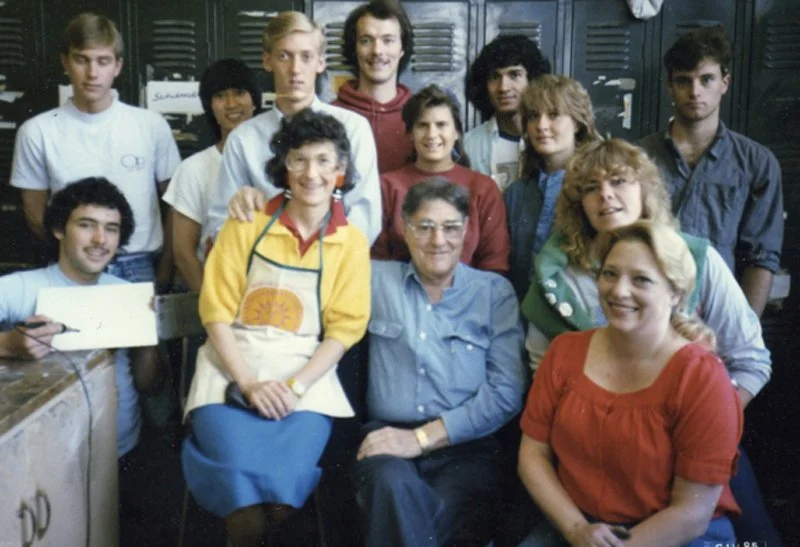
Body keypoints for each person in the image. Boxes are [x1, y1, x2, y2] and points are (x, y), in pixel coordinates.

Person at [520, 138, 782, 546]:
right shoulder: (557, 276)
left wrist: (705, 414)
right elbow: (543, 393)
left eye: (620, 181)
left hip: (687, 449)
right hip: (589, 451)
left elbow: (750, 359)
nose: (606, 196)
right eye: (591, 187)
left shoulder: (696, 258)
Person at [181, 109, 370, 547]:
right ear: (284, 165)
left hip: (304, 378)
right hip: (230, 371)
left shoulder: (351, 243)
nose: (311, 173)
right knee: (244, 506)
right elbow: (215, 313)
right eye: (299, 159)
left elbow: (344, 330)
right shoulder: (245, 224)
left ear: (340, 171)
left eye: (324, 161)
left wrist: (295, 387)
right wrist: (247, 383)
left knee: (283, 502)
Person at [518, 220, 743, 546]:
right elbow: (532, 455)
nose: (619, 291)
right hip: (579, 526)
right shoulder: (564, 353)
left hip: (676, 534)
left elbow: (692, 514)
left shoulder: (702, 377)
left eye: (641, 279)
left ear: (676, 293)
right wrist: (576, 530)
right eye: (610, 274)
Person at [354, 178, 527, 547]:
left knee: (444, 505)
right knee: (391, 486)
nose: (438, 241)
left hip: (467, 446)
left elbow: (506, 391)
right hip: (386, 438)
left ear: (466, 230)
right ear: (404, 228)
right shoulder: (373, 279)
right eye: (425, 227)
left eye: (450, 228)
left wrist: (421, 439)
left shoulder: (493, 293)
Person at [10, 12, 181, 289]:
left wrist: (164, 269)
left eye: (103, 61)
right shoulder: (37, 131)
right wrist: (76, 257)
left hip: (138, 264)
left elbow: (175, 205)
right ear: (65, 62)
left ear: (118, 66)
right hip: (70, 268)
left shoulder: (151, 125)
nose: (92, 73)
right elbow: (35, 215)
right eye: (82, 59)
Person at [638, 25, 783, 317]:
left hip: (719, 315)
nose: (695, 92)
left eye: (706, 79)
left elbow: (761, 258)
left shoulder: (757, 164)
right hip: (651, 314)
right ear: (670, 87)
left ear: (724, 83)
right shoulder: (638, 157)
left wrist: (745, 329)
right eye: (683, 81)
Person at [209, 11, 381, 244]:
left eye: (306, 57)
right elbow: (220, 223)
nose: (295, 69)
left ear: (321, 62)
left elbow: (365, 218)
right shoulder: (243, 139)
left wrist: (317, 260)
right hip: (265, 269)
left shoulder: (353, 128)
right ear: (267, 60)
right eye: (284, 56)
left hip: (334, 267)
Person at [0, 177, 140, 458]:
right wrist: (6, 344)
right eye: (86, 225)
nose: (100, 239)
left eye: (111, 229)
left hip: (121, 448)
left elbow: (150, 383)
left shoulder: (129, 295)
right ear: (58, 229)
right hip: (43, 455)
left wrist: (147, 344)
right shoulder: (18, 287)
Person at [372, 84, 511, 274]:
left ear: (456, 133)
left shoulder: (483, 188)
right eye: (422, 125)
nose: (432, 134)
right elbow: (377, 263)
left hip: (468, 299)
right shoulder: (386, 187)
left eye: (441, 125)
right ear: (410, 134)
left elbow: (495, 264)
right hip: (400, 297)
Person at [162, 59, 261, 291]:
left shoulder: (277, 162)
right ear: (210, 106)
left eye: (239, 93)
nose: (231, 104)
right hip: (216, 298)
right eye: (220, 96)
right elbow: (184, 254)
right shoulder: (193, 169)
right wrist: (214, 311)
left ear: (254, 100)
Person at [504, 75, 600, 299]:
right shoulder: (516, 194)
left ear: (576, 122)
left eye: (554, 115)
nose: (542, 126)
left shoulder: (598, 189)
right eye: (534, 116)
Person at [333, 0, 414, 173]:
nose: (377, 51)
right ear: (353, 49)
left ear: (402, 49)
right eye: (366, 40)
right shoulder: (330, 116)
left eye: (388, 40)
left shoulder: (420, 117)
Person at [464, 34, 551, 189]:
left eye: (514, 75)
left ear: (532, 80)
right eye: (495, 77)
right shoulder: (468, 145)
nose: (503, 87)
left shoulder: (551, 139)